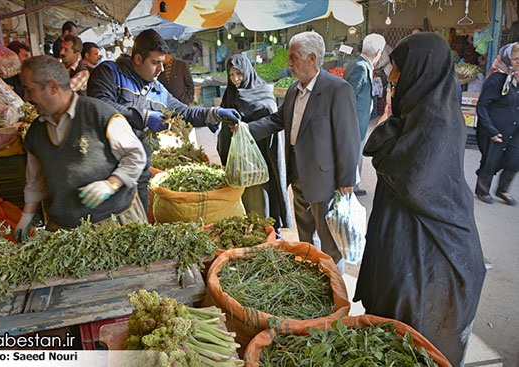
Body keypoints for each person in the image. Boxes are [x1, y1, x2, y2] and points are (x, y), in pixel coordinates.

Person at [353, 33, 486, 367]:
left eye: (398, 72)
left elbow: (413, 183)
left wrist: (386, 140)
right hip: (407, 240)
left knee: (410, 339)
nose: (393, 79)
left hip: (429, 255)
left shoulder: (437, 121)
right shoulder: (419, 114)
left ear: (421, 73)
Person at [241, 31, 360, 272]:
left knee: (330, 241)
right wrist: (244, 130)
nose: (289, 63)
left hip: (324, 178)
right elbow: (278, 119)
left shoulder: (337, 89)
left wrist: (348, 180)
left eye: (293, 58)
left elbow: (349, 137)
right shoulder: (295, 89)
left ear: (312, 59)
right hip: (297, 173)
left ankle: (335, 285)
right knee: (305, 232)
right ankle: (312, 275)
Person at [87, 29, 240, 209]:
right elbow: (100, 105)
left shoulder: (157, 90)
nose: (161, 69)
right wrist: (144, 117)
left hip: (139, 169)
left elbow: (184, 112)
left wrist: (214, 113)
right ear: (137, 59)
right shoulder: (110, 73)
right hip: (105, 171)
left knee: (139, 222)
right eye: (155, 63)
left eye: (162, 62)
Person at [14, 55, 147, 238]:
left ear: (53, 87)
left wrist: (111, 184)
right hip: (64, 230)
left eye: (29, 90)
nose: (26, 98)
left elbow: (135, 155)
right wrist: (26, 215)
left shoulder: (99, 114)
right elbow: (36, 180)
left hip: (116, 223)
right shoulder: (35, 133)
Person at [218, 54, 292, 230]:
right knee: (241, 203)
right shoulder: (230, 94)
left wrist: (246, 128)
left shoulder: (262, 92)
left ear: (248, 72)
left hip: (260, 157)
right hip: (237, 158)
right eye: (231, 75)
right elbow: (223, 122)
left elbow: (271, 117)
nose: (236, 79)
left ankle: (264, 231)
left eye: (239, 74)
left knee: (259, 200)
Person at [474, 42, 519, 205]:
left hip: (515, 129)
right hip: (494, 129)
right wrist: (490, 129)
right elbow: (482, 105)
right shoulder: (497, 79)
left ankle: (502, 189)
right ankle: (482, 190)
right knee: (491, 159)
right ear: (507, 59)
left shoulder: (517, 79)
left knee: (515, 158)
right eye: (516, 59)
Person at [344, 33, 386, 196]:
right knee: (353, 154)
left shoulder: (360, 65)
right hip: (354, 122)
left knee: (356, 154)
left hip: (357, 121)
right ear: (378, 52)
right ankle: (350, 186)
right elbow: (349, 97)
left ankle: (353, 185)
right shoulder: (360, 67)